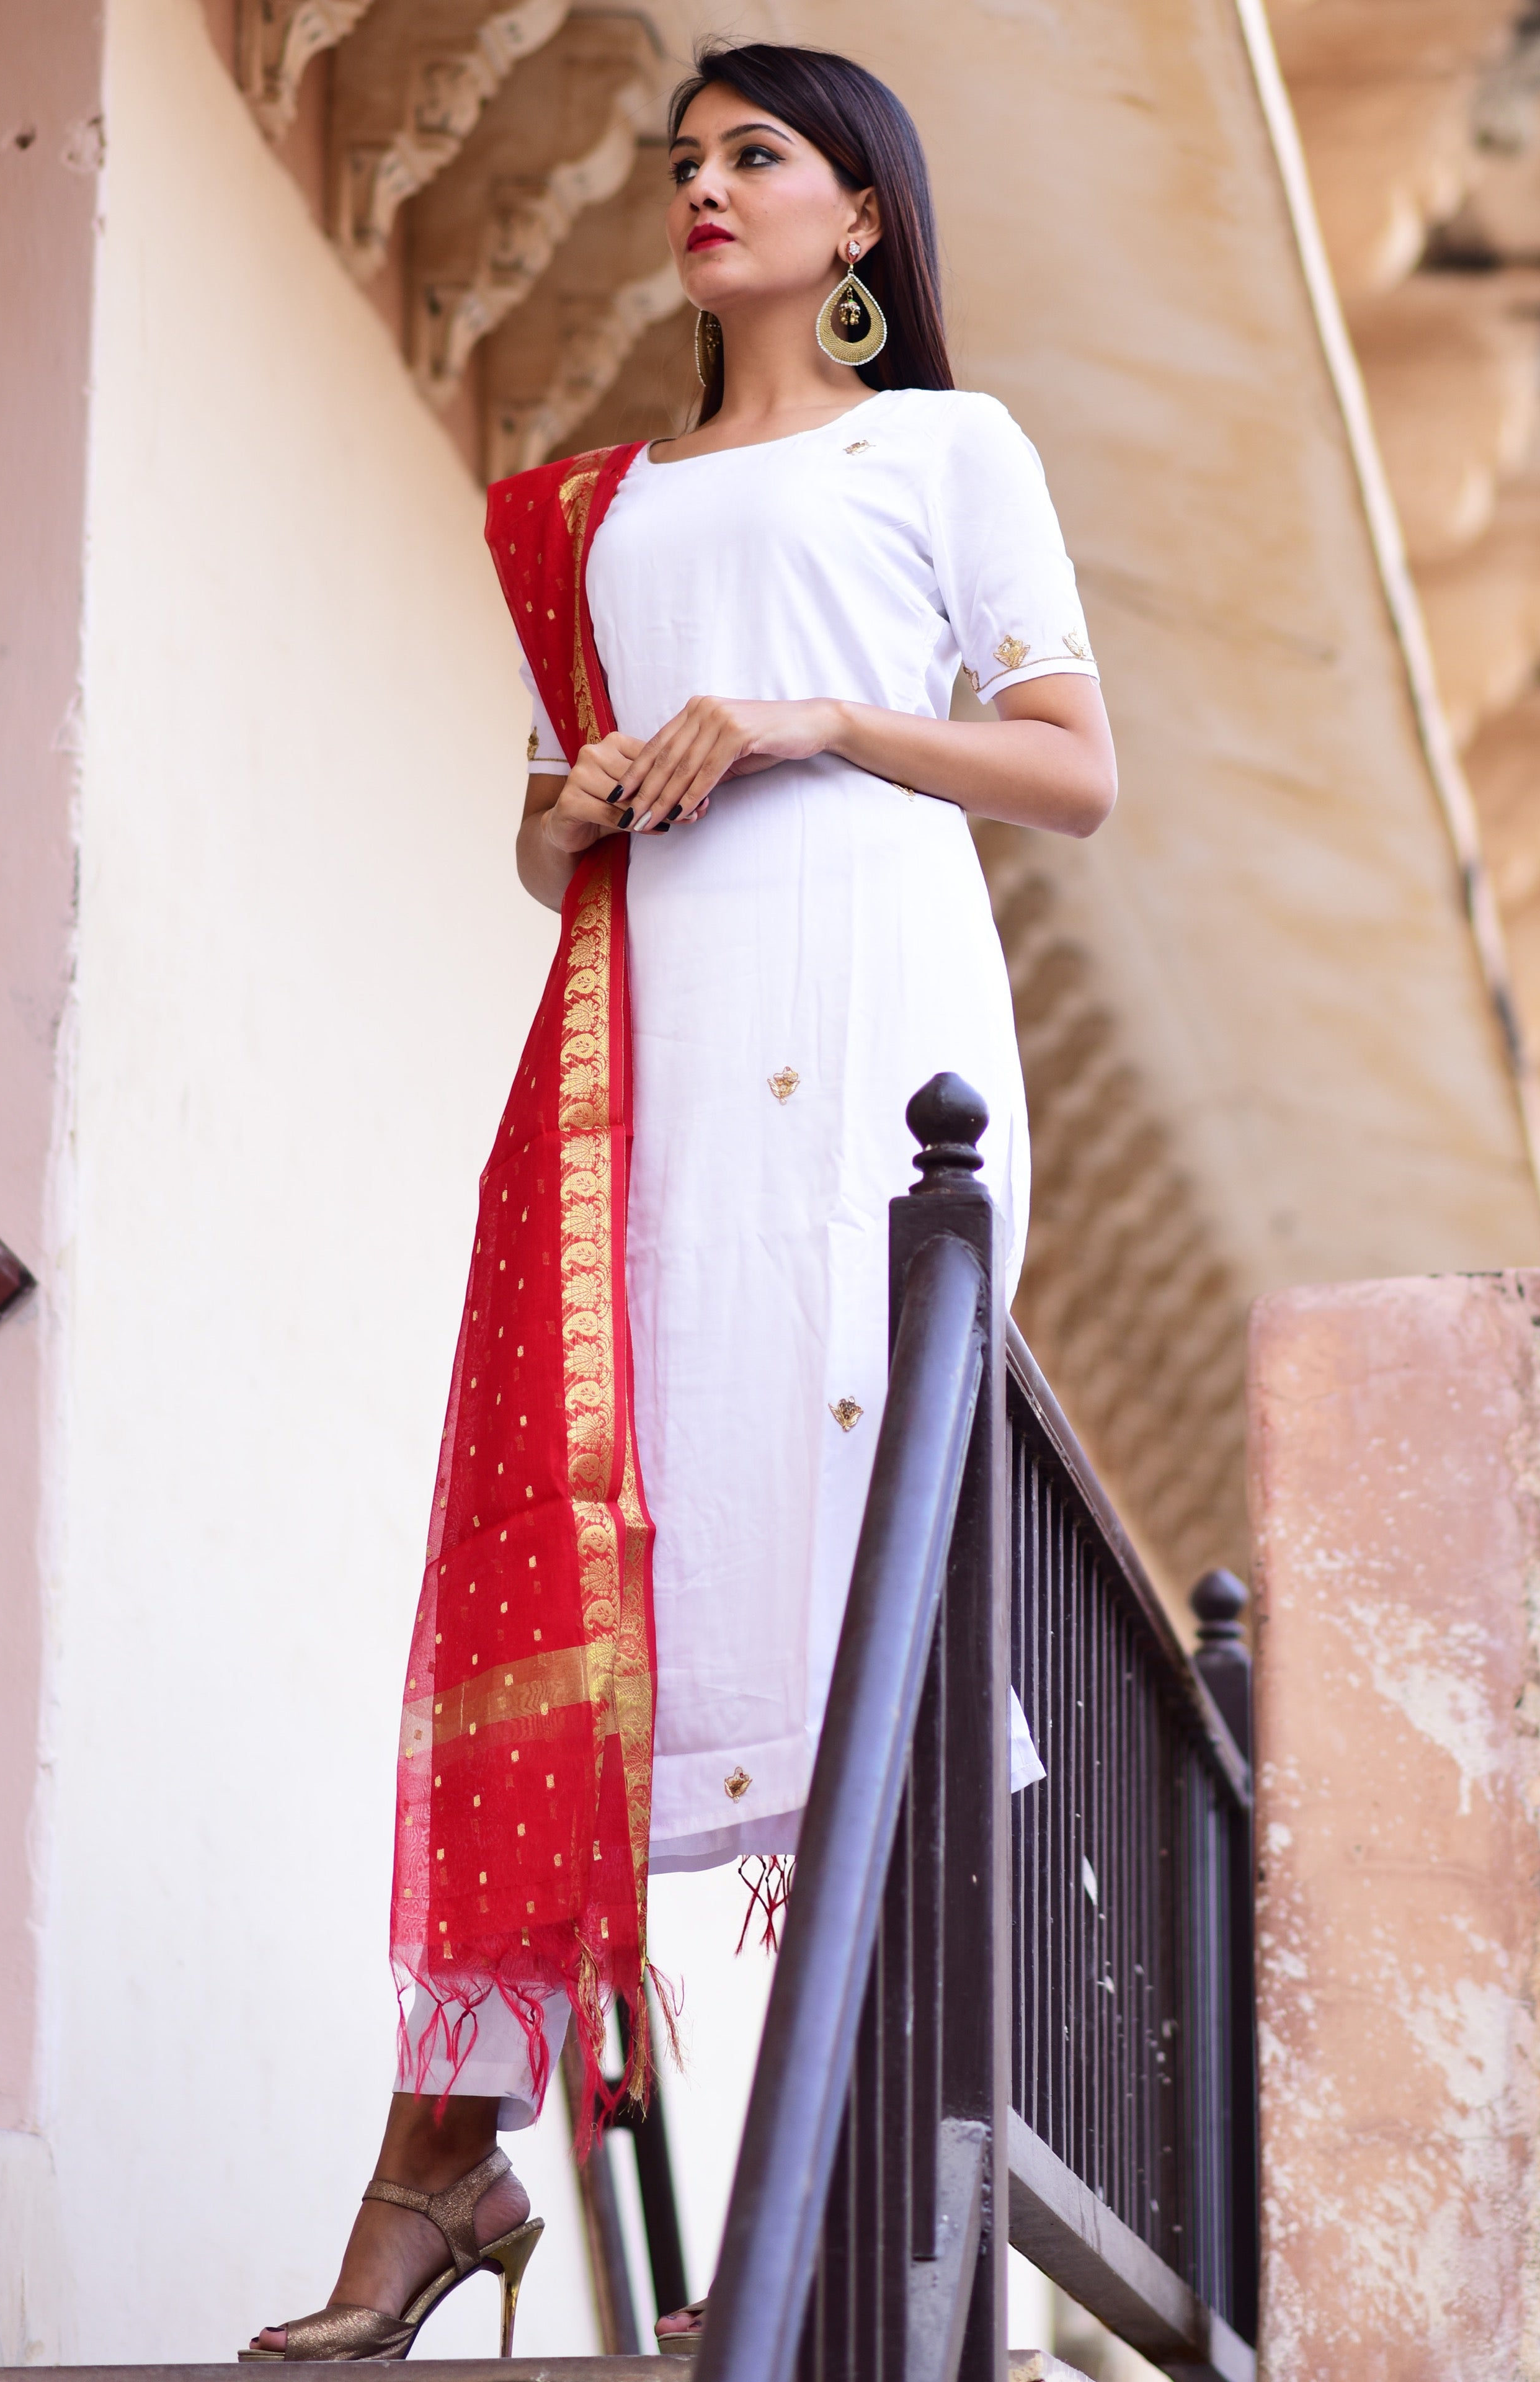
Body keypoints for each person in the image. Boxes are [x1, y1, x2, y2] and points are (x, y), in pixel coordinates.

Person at [243, 38, 1115, 2363]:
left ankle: (813, 2188)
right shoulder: (604, 506)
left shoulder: (947, 445)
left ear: (859, 221)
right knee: (591, 1520)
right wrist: (598, 795)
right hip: (653, 1067)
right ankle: (444, 2153)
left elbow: (1072, 767)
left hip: (874, 1038)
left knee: (843, 1559)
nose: (704, 188)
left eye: (758, 158)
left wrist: (817, 716)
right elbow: (548, 839)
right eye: (686, 160)